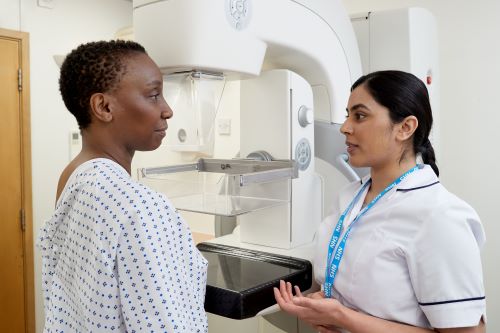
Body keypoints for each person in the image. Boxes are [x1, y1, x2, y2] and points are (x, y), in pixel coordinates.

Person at [274, 70, 486, 333]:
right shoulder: (349, 196)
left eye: (360, 115)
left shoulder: (439, 215)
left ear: (405, 127)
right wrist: (325, 305)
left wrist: (343, 317)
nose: (344, 127)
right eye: (347, 115)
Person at [37, 40, 208, 332]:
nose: (167, 110)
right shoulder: (141, 206)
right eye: (154, 95)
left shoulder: (74, 177)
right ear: (103, 106)